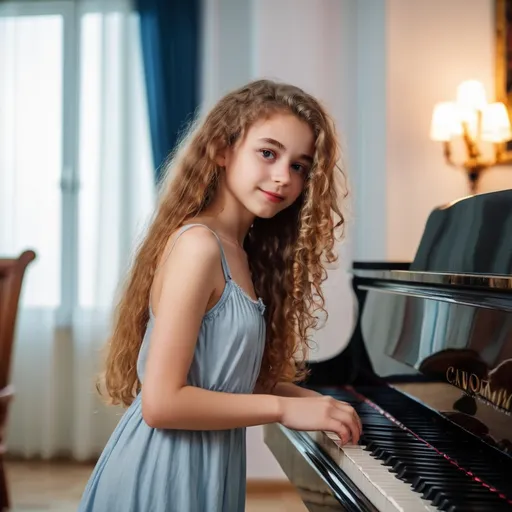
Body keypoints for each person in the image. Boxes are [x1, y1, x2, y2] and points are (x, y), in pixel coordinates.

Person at [78, 79, 362, 512]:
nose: (284, 176)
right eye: (268, 153)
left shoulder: (241, 254)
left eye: (300, 166)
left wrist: (309, 401)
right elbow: (161, 403)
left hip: (206, 470)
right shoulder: (199, 246)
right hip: (162, 472)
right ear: (222, 150)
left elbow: (223, 380)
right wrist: (283, 411)